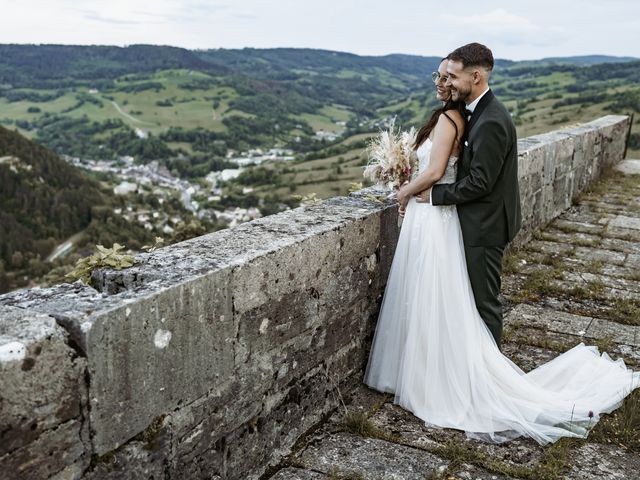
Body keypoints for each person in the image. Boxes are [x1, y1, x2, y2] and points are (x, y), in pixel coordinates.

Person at [363, 43, 639, 445]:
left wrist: (427, 195)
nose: (447, 83)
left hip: (484, 226)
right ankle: (471, 373)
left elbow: (480, 183)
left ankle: (486, 385)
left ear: (477, 76)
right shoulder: (471, 113)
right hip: (466, 223)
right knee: (461, 303)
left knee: (483, 303)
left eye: (453, 76)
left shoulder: (490, 119)